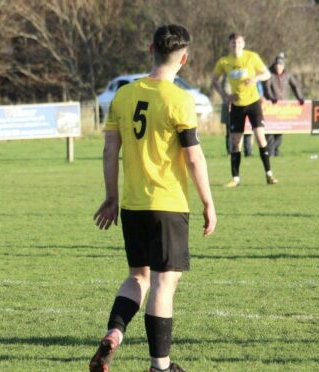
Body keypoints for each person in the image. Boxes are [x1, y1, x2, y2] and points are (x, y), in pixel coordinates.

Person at [90, 24, 216, 372]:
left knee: (137, 278)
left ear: (151, 49)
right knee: (164, 282)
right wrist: (208, 202)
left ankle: (114, 333)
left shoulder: (124, 95)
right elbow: (193, 157)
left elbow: (108, 150)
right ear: (184, 59)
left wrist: (111, 197)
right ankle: (160, 366)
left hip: (132, 204)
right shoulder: (179, 99)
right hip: (168, 204)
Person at [212, 33, 277, 187]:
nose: (236, 45)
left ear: (243, 43)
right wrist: (224, 95)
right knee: (235, 142)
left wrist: (255, 78)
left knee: (261, 137)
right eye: (233, 43)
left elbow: (267, 74)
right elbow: (214, 80)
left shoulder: (252, 57)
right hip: (236, 106)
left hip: (253, 103)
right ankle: (235, 178)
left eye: (239, 42)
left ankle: (269, 174)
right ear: (229, 44)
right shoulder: (224, 61)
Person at [263, 53, 305, 156]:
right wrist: (272, 98)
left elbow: (295, 86)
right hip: (270, 106)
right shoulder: (269, 74)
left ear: (284, 66)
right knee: (269, 129)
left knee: (280, 129)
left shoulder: (288, 74)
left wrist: (300, 98)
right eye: (277, 65)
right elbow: (267, 88)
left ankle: (276, 150)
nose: (278, 67)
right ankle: (270, 151)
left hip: (283, 106)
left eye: (280, 65)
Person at [219, 76, 253, 156]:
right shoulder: (228, 76)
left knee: (247, 130)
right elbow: (226, 90)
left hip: (245, 104)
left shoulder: (247, 75)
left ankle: (248, 152)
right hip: (231, 106)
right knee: (230, 130)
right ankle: (230, 151)